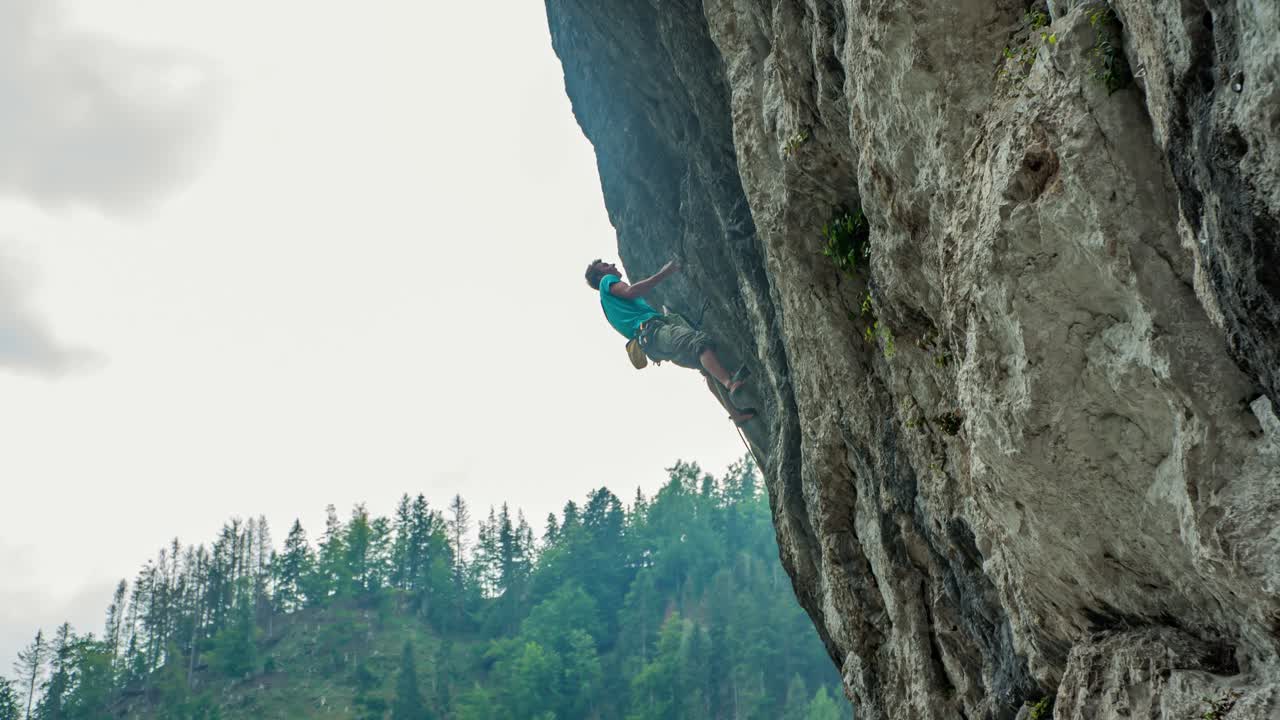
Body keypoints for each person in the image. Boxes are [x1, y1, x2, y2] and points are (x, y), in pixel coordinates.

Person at [584, 258, 754, 424]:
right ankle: (730, 383)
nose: (612, 265)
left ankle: (735, 415)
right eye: (606, 266)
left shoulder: (608, 306)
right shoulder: (607, 281)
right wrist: (665, 272)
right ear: (599, 278)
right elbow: (631, 292)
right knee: (698, 341)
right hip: (655, 333)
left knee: (706, 369)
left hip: (651, 345)